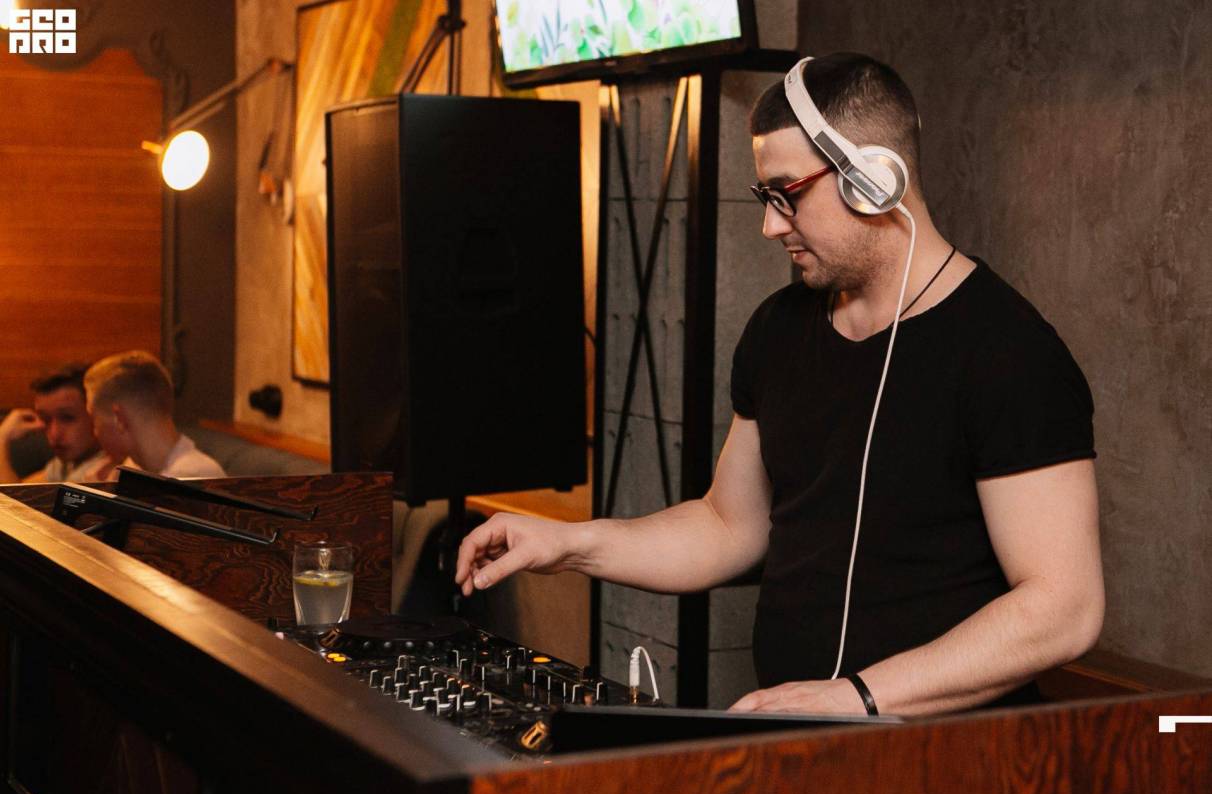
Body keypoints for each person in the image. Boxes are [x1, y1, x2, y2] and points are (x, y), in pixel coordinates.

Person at [455, 53, 1103, 717]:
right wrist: (570, 545)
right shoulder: (779, 328)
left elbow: (1064, 608)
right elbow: (726, 525)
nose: (770, 225)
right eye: (766, 198)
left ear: (874, 179)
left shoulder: (1009, 353)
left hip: (942, 754)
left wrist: (857, 697)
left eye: (787, 194)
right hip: (797, 738)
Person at [83, 351, 225, 479]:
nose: (95, 433)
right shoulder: (132, 469)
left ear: (119, 419)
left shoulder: (193, 478)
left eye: (94, 419)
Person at [0, 363, 113, 483]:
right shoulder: (66, 463)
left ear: (97, 415)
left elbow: (10, 494)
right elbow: (20, 489)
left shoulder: (106, 470)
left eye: (67, 418)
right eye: (45, 419)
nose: (54, 434)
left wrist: (1, 438)